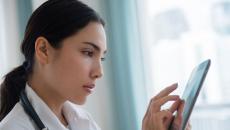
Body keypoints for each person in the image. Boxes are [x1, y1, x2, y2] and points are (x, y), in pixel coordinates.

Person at [0, 0, 191, 130]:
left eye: (102, 58)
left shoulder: (82, 121)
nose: (99, 72)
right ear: (43, 50)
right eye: (88, 53)